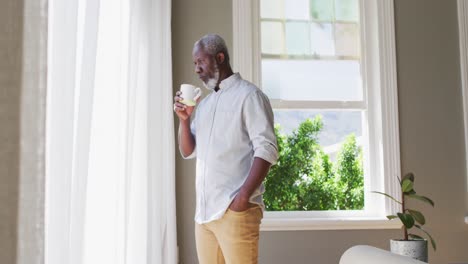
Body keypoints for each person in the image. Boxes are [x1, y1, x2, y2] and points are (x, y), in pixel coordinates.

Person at [173, 34, 278, 264]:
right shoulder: (206, 105)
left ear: (219, 57)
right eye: (194, 64)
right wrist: (183, 120)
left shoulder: (250, 96)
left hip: (235, 211)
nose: (197, 69)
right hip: (204, 215)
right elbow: (189, 151)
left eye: (201, 61)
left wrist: (242, 199)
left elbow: (267, 148)